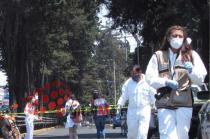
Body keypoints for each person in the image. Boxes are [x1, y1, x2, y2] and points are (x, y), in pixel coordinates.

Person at [145, 25, 207, 139]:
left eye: (180, 36)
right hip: (164, 103)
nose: (177, 38)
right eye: (174, 36)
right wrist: (166, 82)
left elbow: (200, 79)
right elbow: (149, 78)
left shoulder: (191, 55)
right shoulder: (158, 56)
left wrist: (191, 71)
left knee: (182, 135)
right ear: (168, 38)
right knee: (168, 136)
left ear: (184, 39)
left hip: (184, 103)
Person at [117, 65, 156, 139]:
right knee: (132, 134)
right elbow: (124, 96)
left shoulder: (148, 81)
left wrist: (155, 106)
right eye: (132, 74)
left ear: (140, 72)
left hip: (144, 110)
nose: (133, 76)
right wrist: (119, 105)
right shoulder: (128, 83)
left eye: (135, 74)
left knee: (142, 133)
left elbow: (153, 95)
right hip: (132, 111)